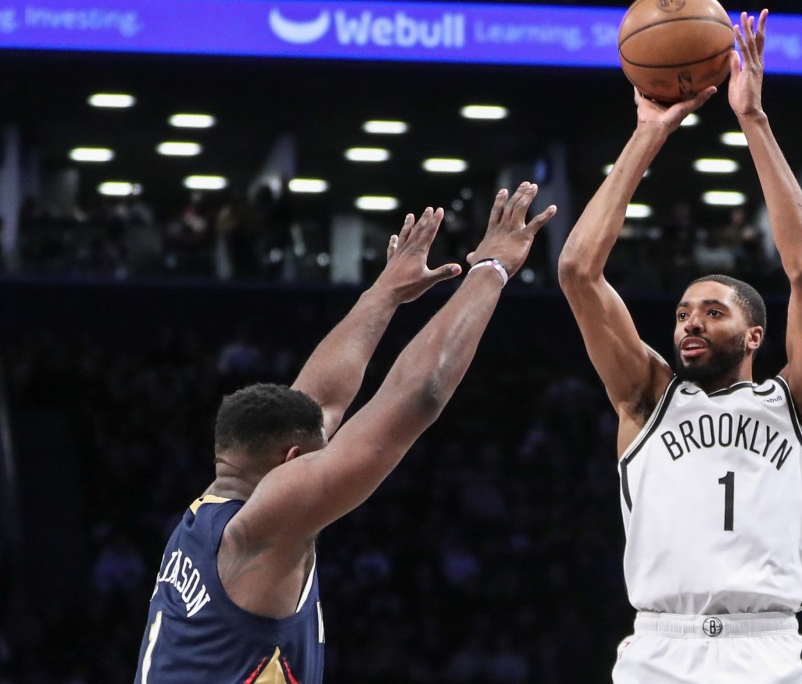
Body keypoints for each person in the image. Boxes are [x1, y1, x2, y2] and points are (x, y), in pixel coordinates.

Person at [133, 183, 556, 683]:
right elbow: (416, 400)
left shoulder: (213, 513)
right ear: (290, 463)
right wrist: (492, 270)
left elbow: (321, 405)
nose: (327, 454)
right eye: (318, 455)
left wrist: (382, 295)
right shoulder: (265, 524)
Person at [557, 10, 802, 683]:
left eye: (712, 312)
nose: (688, 323)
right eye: (683, 312)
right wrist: (647, 136)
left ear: (753, 336)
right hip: (660, 647)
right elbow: (576, 272)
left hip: (770, 647)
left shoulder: (800, 405)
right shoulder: (645, 397)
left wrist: (754, 121)